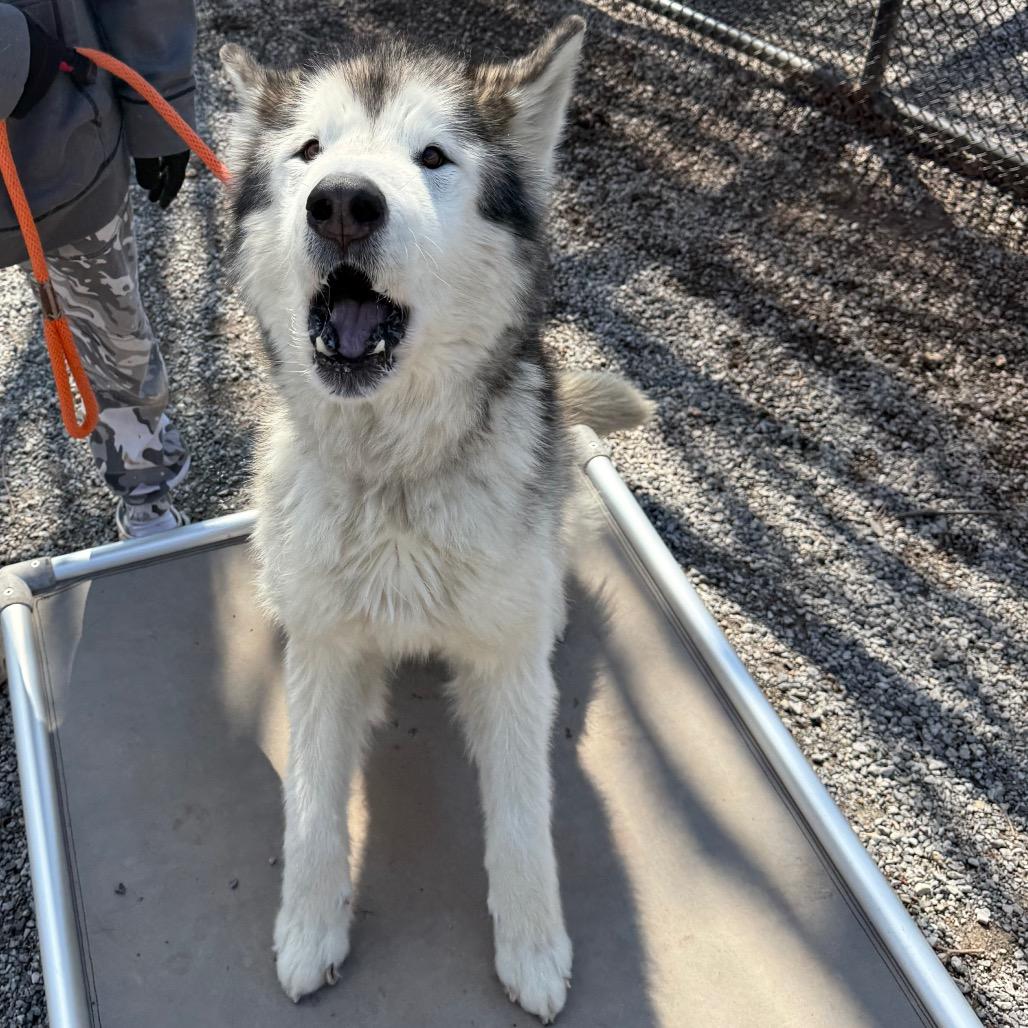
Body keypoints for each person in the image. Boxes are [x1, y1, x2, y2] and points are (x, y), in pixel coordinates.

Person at [1, 0, 196, 538]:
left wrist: (159, 106)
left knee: (112, 335)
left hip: (59, 148)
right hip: (53, 114)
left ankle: (145, 490)